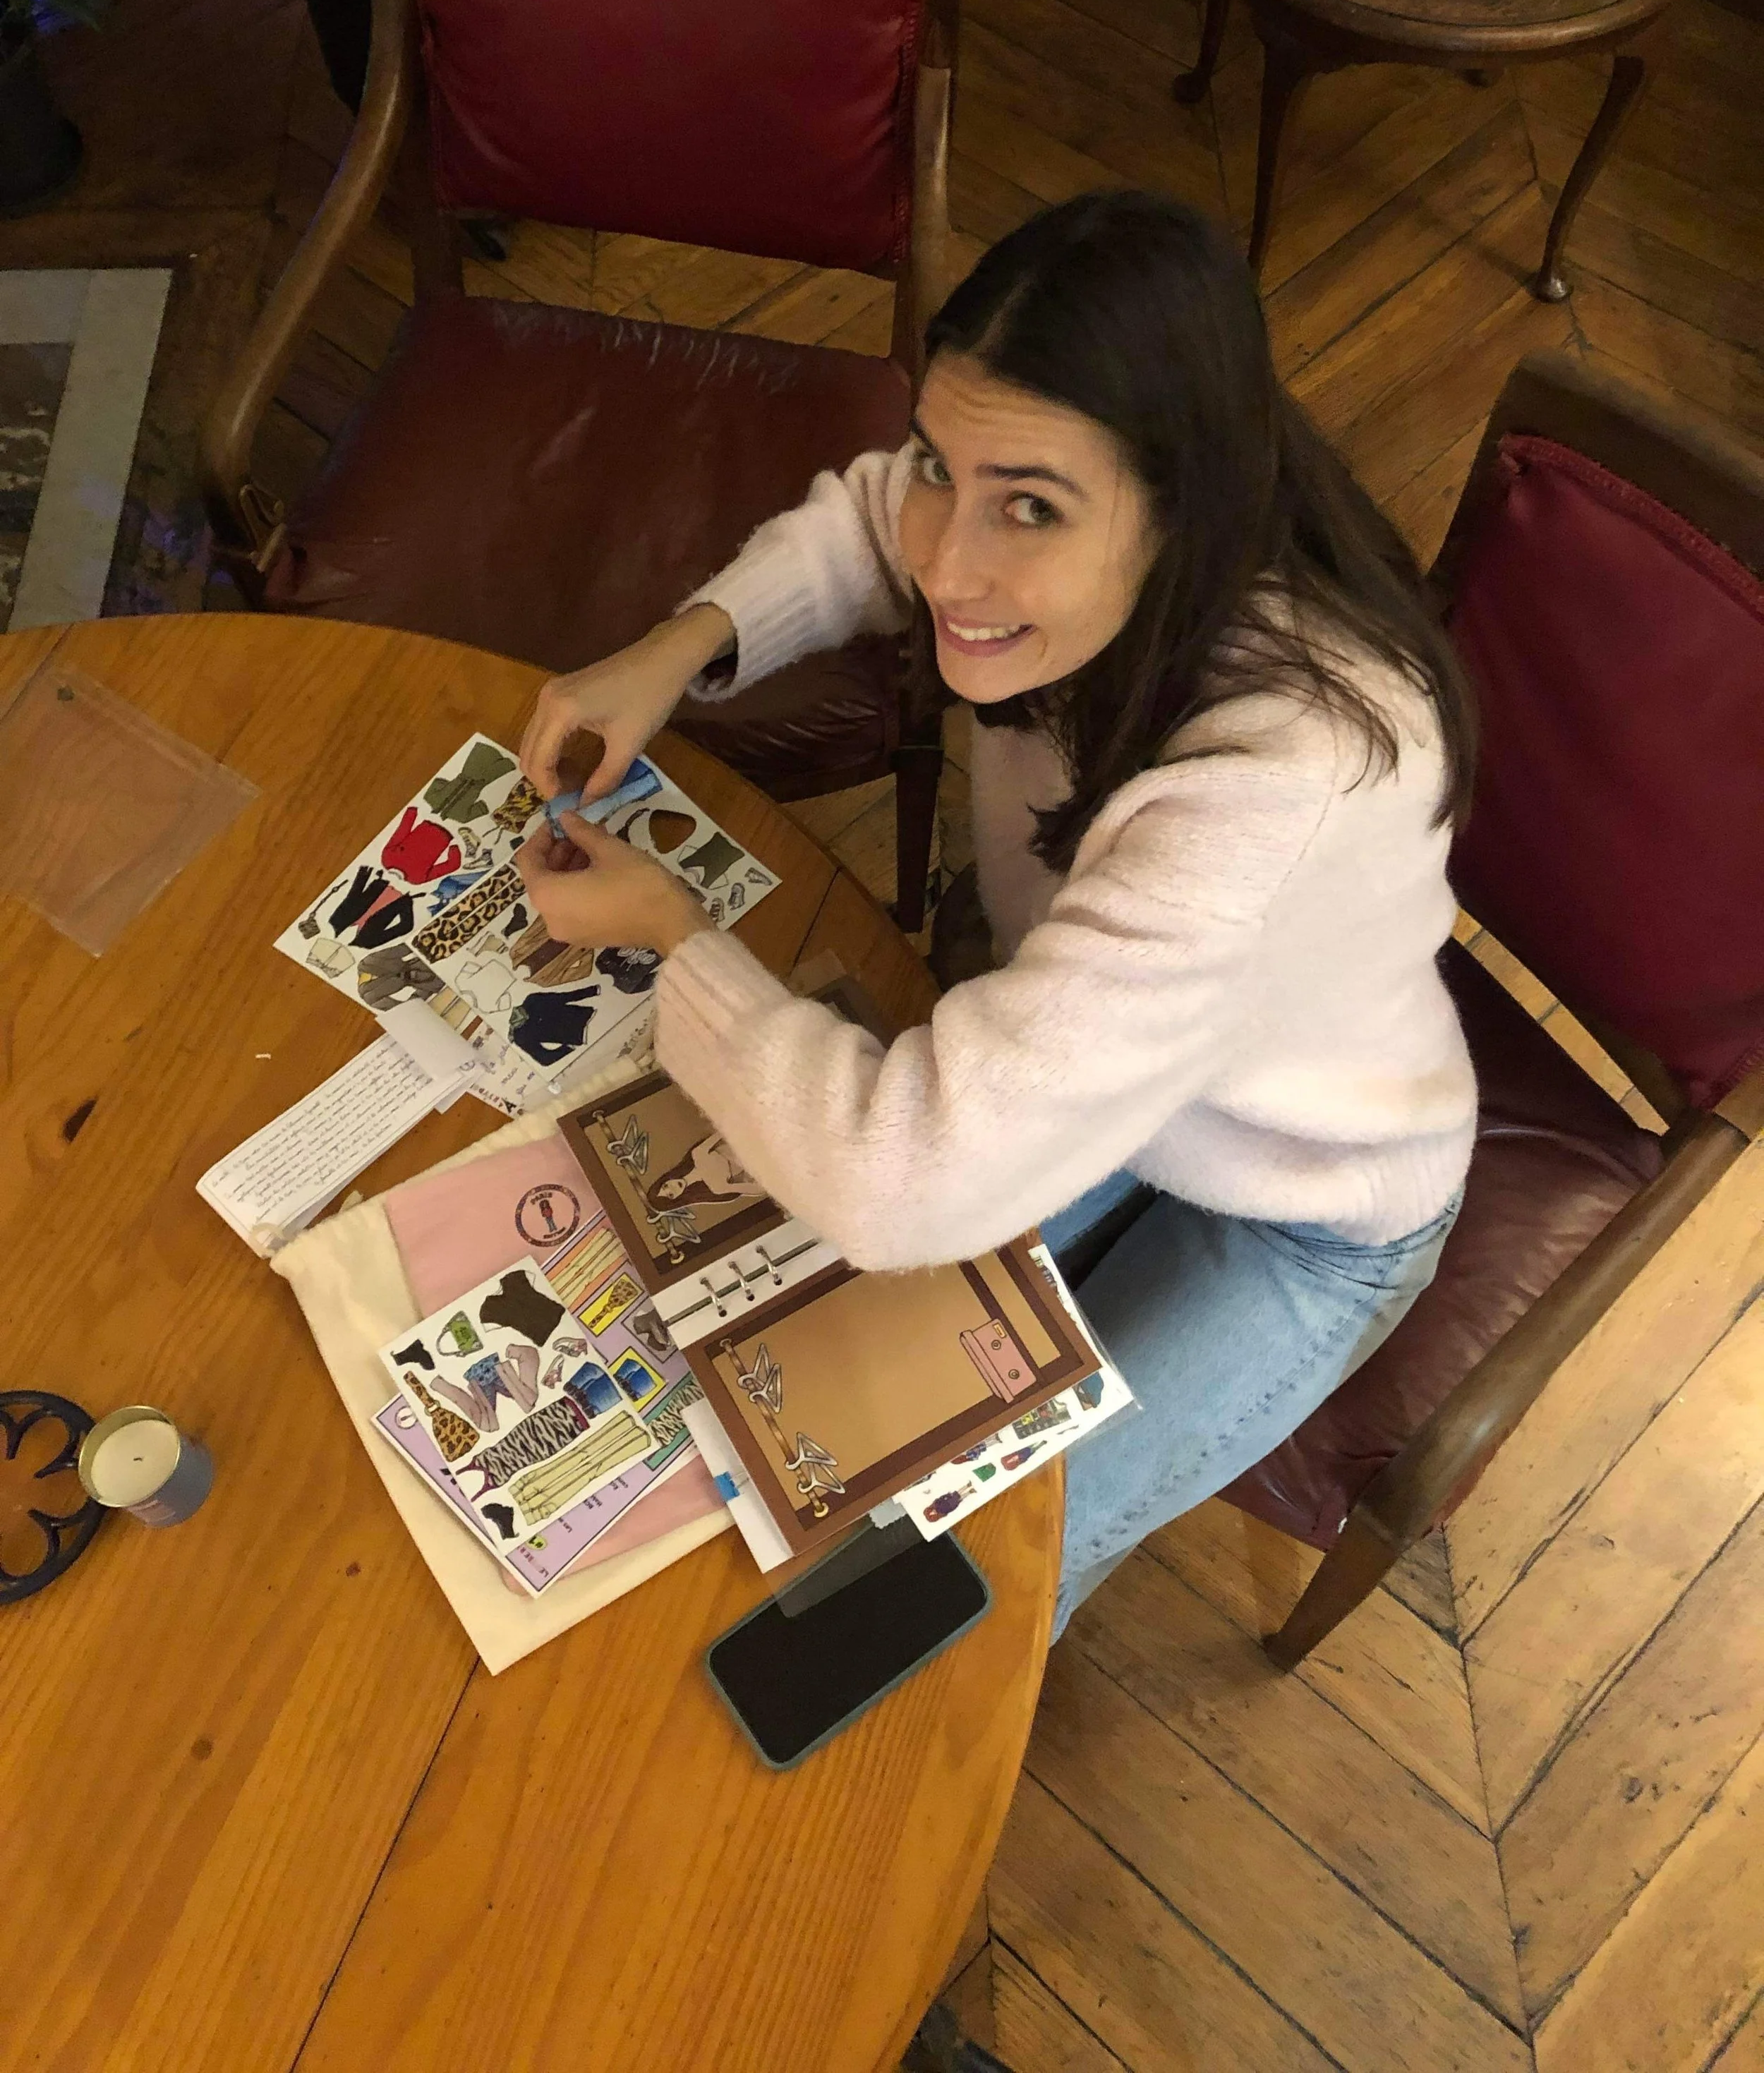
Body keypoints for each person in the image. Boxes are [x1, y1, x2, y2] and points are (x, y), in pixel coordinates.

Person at [514, 191, 1477, 1634]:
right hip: (1099, 1067)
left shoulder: (1281, 785)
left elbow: (896, 1182)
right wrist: (679, 646)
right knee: (778, 1391)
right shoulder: (1123, 538)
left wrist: (677, 938)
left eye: (1027, 504)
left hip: (1300, 1203)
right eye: (938, 468)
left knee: (959, 1586)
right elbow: (865, 515)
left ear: (1178, 504)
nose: (944, 560)